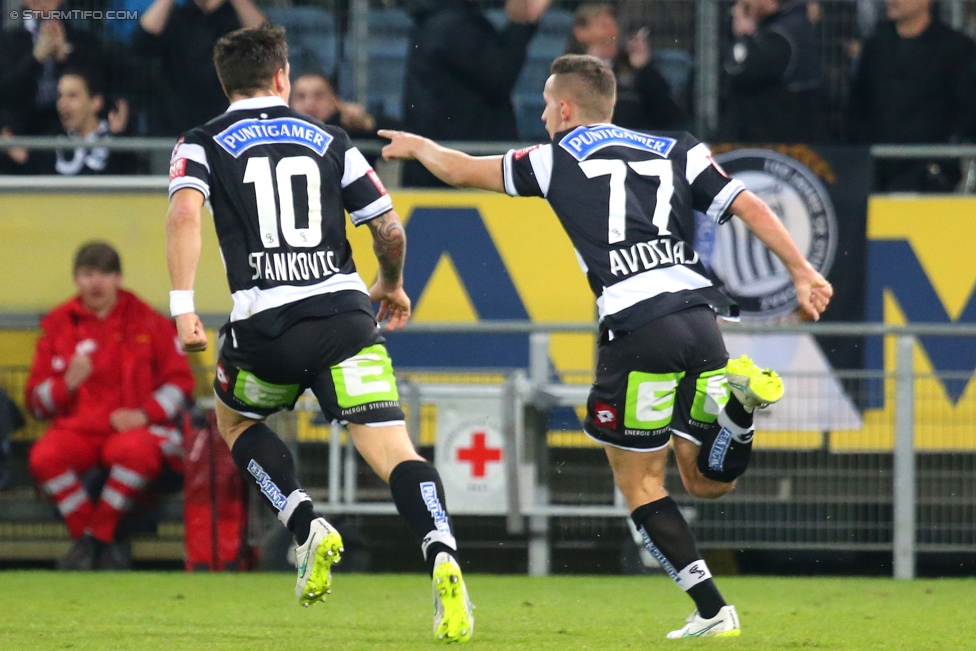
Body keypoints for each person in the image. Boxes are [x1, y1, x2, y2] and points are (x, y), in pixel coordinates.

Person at [380, 54, 833, 638]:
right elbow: (749, 204)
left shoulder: (552, 158)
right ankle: (738, 419)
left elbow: (463, 169)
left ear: (565, 107)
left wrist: (420, 146)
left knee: (642, 483)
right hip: (699, 318)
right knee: (707, 480)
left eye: (546, 105)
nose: (543, 116)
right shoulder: (679, 149)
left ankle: (711, 608)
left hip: (636, 325)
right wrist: (800, 270)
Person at [165, 25, 473, 643]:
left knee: (236, 424)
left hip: (266, 327)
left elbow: (183, 213)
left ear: (225, 83)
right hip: (343, 318)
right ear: (282, 77)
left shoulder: (200, 143)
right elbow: (387, 226)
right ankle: (441, 550)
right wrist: (390, 283)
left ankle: (305, 523)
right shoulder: (331, 139)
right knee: (394, 450)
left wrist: (182, 306)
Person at [25, 241, 195, 570]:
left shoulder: (149, 322)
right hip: (77, 430)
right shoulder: (58, 325)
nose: (97, 283)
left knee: (136, 451)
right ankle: (94, 541)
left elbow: (179, 385)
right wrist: (66, 385)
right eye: (88, 274)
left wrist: (143, 414)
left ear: (118, 278)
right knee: (44, 457)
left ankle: (94, 540)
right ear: (76, 279)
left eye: (105, 274)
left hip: (129, 430)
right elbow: (36, 402)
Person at [400, 0, 553, 187]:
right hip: (458, 171)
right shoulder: (453, 27)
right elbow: (497, 76)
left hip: (446, 165)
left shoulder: (440, 21)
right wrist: (520, 24)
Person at [846, 0, 976, 192]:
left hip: (932, 178)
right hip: (876, 173)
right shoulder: (876, 46)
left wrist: (942, 163)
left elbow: (967, 112)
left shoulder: (956, 49)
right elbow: (858, 105)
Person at [131, 0, 266, 135]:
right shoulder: (176, 17)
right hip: (173, 130)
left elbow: (266, 43)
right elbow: (142, 41)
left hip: (231, 131)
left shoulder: (238, 19)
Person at [721, 0, 828, 143]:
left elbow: (741, 74)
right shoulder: (790, 24)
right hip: (784, 140)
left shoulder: (781, 35)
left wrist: (743, 37)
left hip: (778, 142)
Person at [567, 3, 686, 131]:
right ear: (580, 32)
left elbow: (670, 116)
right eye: (604, 26)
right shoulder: (566, 72)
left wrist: (644, 68)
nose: (612, 33)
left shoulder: (634, 70)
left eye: (614, 26)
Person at [4, 68, 136, 175]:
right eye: (60, 96)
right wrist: (23, 161)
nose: (63, 104)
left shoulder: (117, 141)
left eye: (72, 96)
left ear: (96, 102)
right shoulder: (51, 143)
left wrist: (120, 139)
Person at [289, 70, 401, 164]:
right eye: (300, 97)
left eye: (319, 96)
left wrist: (369, 123)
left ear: (335, 100)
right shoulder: (281, 132)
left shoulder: (350, 127)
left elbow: (404, 136)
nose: (310, 104)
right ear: (289, 102)